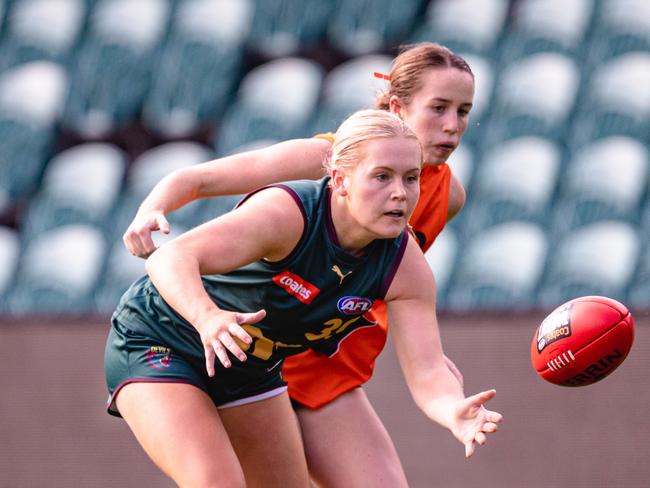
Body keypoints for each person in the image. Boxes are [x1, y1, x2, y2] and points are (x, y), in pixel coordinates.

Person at [123, 43, 477, 486]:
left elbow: (381, 280)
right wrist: (152, 209)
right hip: (208, 334)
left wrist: (431, 364)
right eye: (438, 108)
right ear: (395, 106)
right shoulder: (321, 166)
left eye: (463, 111)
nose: (452, 126)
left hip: (312, 360)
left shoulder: (446, 198)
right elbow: (199, 182)